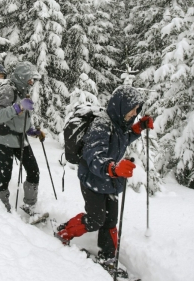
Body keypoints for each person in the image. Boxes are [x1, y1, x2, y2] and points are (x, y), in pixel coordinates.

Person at [55, 85, 154, 269]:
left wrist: (138, 128)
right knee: (95, 219)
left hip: (109, 179)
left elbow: (121, 139)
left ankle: (107, 256)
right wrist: (114, 168)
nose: (134, 113)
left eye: (137, 110)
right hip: (93, 178)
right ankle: (64, 232)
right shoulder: (101, 124)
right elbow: (94, 157)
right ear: (121, 106)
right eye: (132, 108)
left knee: (110, 220)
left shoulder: (119, 123)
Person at [0, 61, 45, 213]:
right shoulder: (7, 90)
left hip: (20, 139)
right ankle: (1, 206)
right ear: (22, 76)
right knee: (5, 172)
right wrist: (19, 106)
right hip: (3, 138)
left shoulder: (23, 92)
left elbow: (21, 120)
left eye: (33, 79)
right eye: (30, 78)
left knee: (34, 171)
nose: (32, 82)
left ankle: (29, 205)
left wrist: (33, 131)